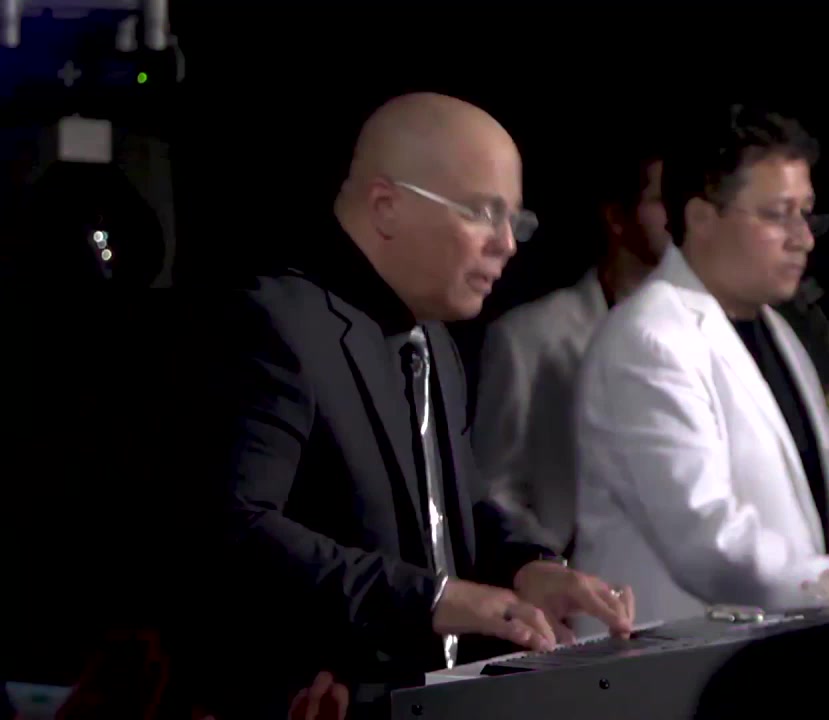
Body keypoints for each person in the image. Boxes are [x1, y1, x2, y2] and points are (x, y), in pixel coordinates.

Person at [187, 93, 634, 718]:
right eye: (484, 213)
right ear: (386, 206)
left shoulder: (433, 341)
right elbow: (237, 528)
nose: (507, 244)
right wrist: (433, 598)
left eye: (516, 221)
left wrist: (528, 565)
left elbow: (457, 508)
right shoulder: (276, 324)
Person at [571, 104, 829, 631]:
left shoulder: (776, 330)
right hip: (672, 664)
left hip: (764, 651)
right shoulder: (649, 339)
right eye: (778, 214)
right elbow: (710, 542)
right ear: (701, 218)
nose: (803, 238)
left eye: (805, 213)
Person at [471, 143, 668, 555]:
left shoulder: (707, 331)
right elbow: (495, 485)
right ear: (617, 217)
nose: (679, 213)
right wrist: (551, 564)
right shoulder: (528, 335)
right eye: (661, 198)